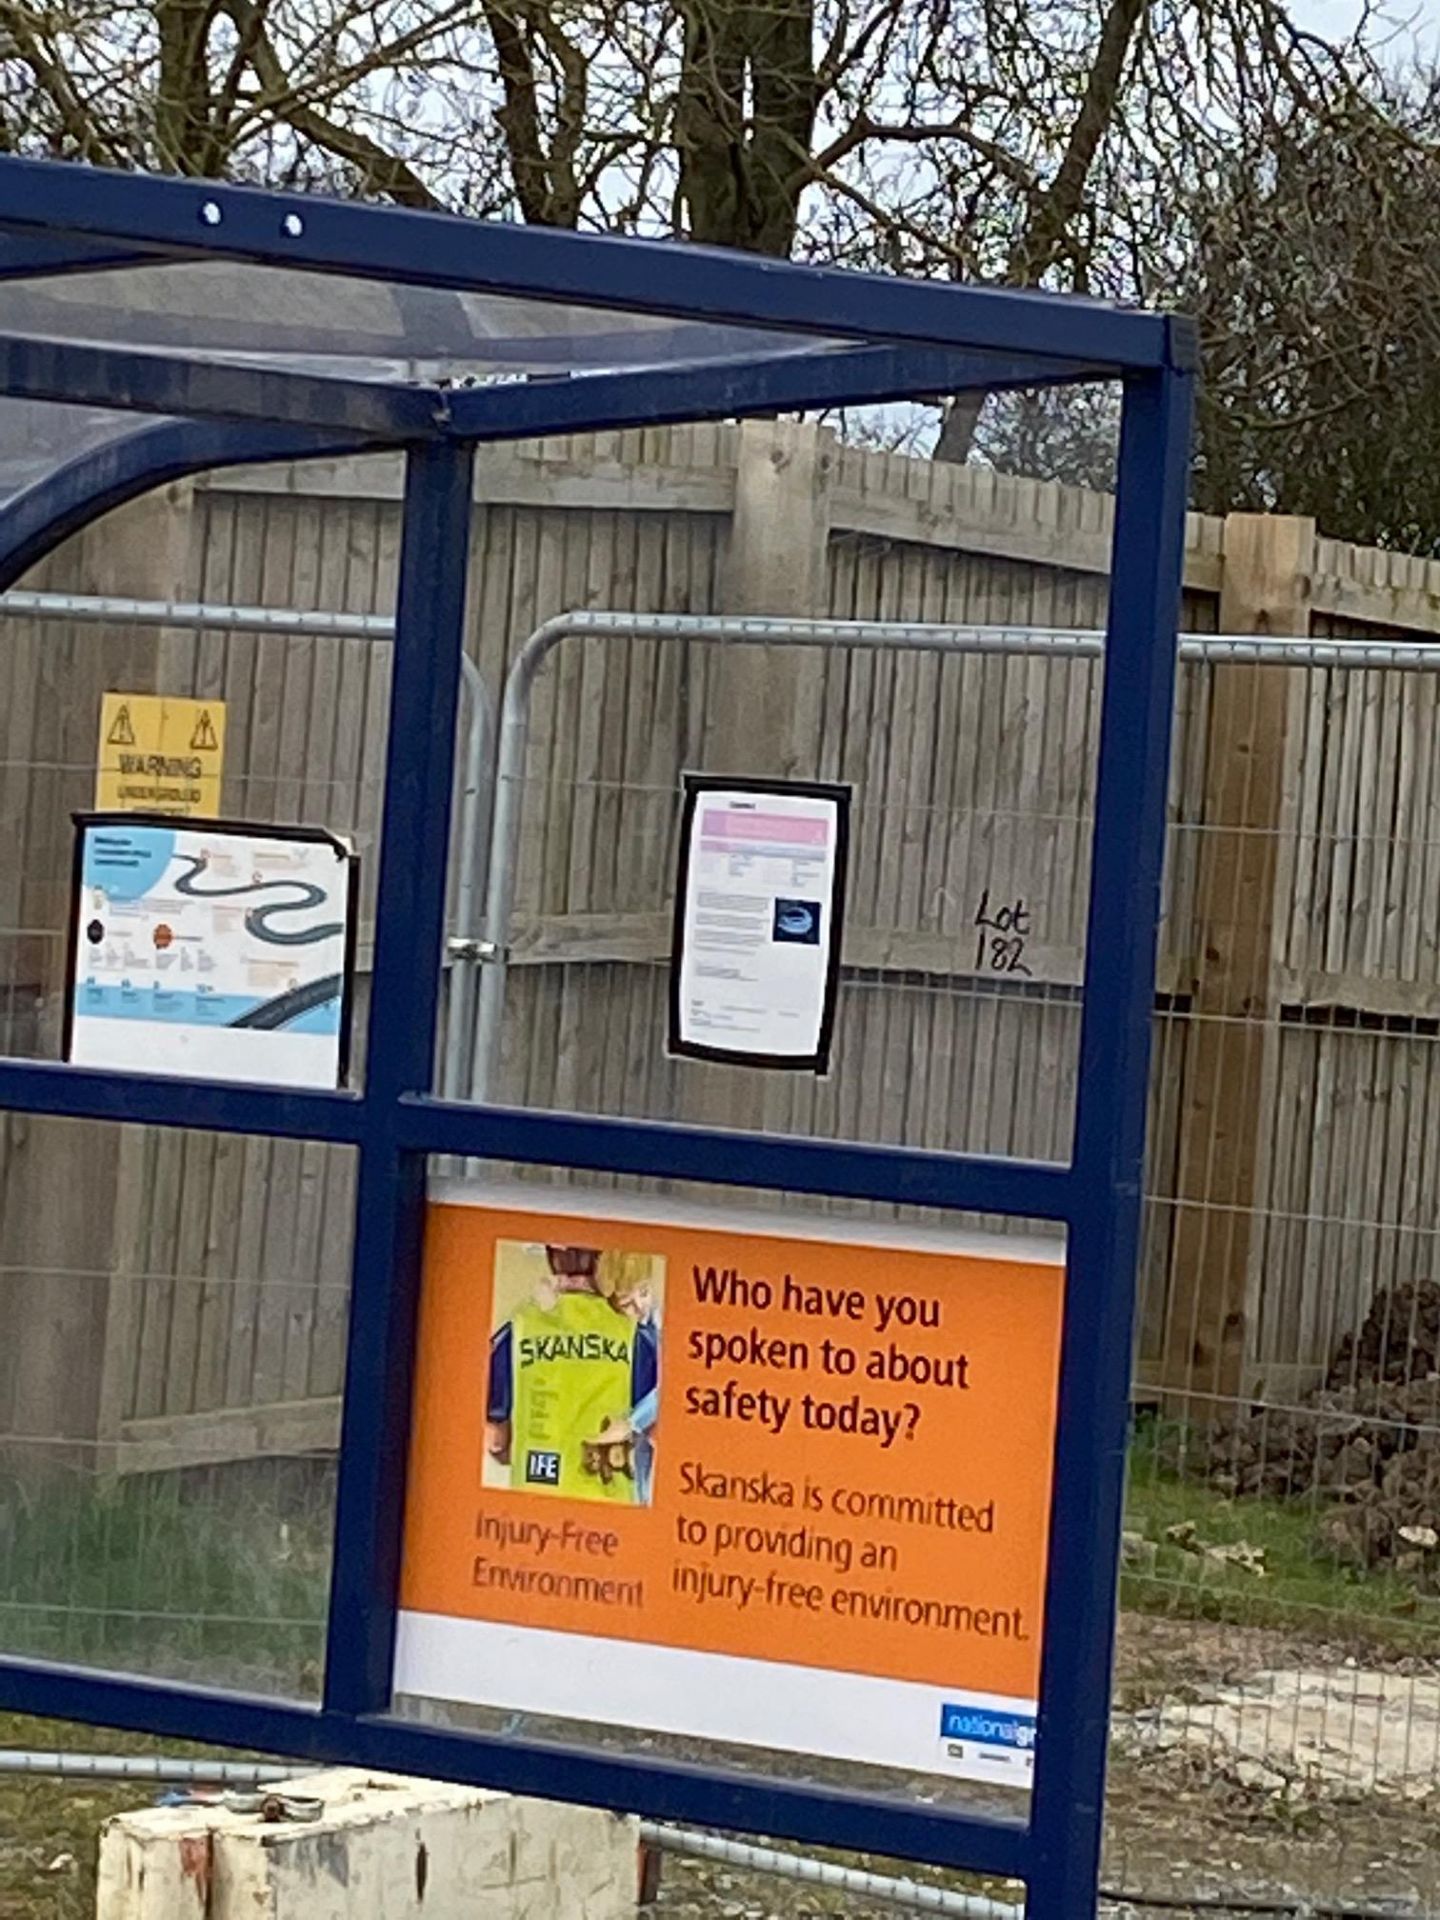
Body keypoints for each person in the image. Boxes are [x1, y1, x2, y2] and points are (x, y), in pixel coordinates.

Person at [485, 1243, 658, 1504]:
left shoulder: (518, 1328)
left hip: (535, 1505)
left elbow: (497, 1440)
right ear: (601, 1260)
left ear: (551, 1259)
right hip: (612, 1508)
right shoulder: (636, 1336)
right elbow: (655, 1422)